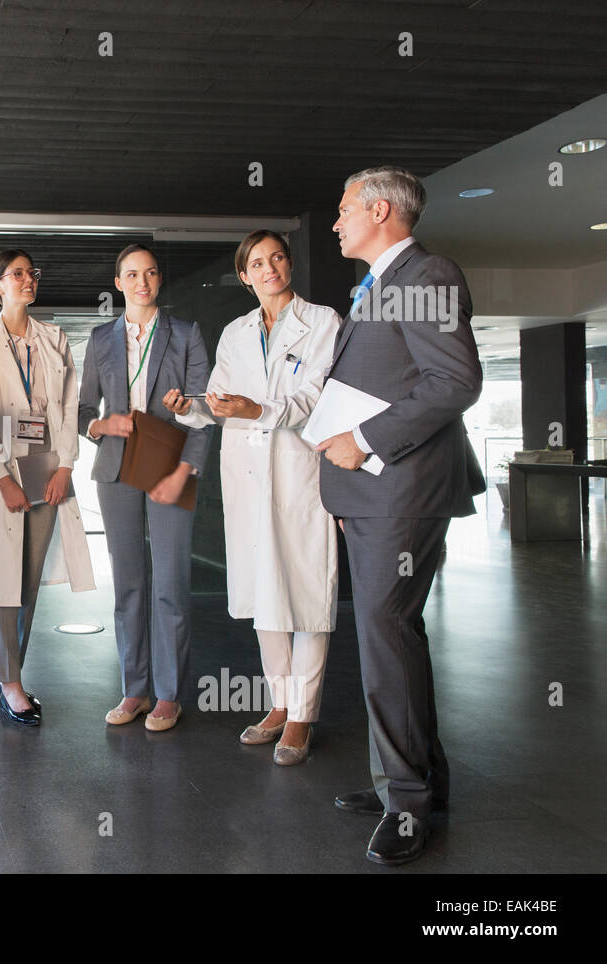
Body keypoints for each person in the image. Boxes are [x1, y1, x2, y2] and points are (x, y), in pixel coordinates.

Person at [319, 167, 484, 865]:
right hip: (377, 495)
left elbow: (458, 382)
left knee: (387, 640)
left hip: (403, 490)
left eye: (344, 209)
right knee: (394, 639)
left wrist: (361, 441)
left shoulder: (426, 274)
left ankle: (409, 804)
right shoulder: (381, 284)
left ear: (379, 210)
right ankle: (414, 788)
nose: (335, 222)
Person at [166, 231, 341, 762]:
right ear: (243, 276)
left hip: (299, 472)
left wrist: (256, 411)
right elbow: (218, 400)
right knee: (267, 593)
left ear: (289, 264)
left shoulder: (324, 322)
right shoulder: (236, 332)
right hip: (247, 475)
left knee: (308, 593)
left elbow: (313, 397)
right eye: (258, 263)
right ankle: (279, 705)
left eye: (278, 258)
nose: (269, 269)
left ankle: (303, 716)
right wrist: (186, 408)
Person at [78, 244, 213, 732]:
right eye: (132, 274)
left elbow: (203, 413)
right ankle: (134, 689)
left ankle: (169, 695)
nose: (142, 282)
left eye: (151, 273)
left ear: (159, 280)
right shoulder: (99, 339)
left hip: (169, 463)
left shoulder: (185, 334)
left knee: (172, 584)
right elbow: (80, 412)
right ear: (119, 283)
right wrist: (100, 427)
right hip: (115, 469)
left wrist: (186, 471)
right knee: (129, 584)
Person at [0, 249, 95, 725]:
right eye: (16, 274)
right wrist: (0, 476)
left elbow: (67, 406)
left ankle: (9, 674)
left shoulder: (54, 337)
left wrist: (66, 467)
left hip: (46, 463)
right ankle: (10, 682)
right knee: (4, 579)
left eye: (31, 273)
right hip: (3, 466)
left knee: (29, 578)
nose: (28, 280)